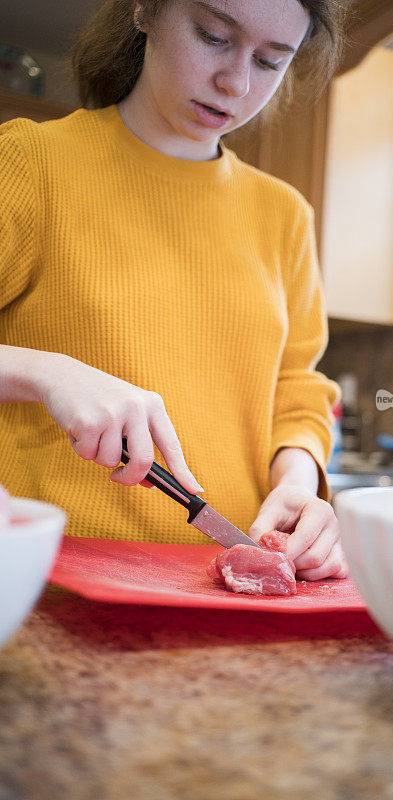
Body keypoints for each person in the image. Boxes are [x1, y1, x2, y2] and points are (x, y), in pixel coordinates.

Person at [0, 0, 348, 580]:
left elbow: (297, 389)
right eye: (214, 36)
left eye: (270, 60)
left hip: (228, 592)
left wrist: (298, 480)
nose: (235, 82)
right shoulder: (31, 165)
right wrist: (45, 371)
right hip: (48, 588)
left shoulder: (284, 215)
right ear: (146, 10)